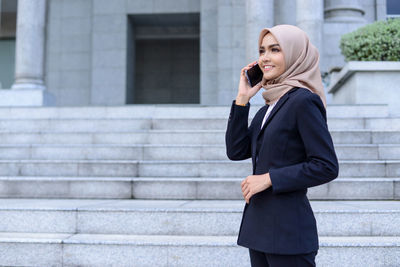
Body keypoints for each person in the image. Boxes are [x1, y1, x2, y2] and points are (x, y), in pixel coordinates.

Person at [225, 24, 339, 267]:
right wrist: (243, 98)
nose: (265, 58)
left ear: (296, 54)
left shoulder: (303, 101)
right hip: (259, 229)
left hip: (288, 233)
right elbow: (236, 151)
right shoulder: (269, 106)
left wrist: (269, 178)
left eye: (275, 50)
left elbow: (326, 165)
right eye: (262, 51)